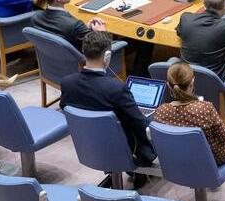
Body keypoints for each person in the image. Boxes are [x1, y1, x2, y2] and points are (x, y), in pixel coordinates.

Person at [60, 31, 156, 176]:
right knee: (155, 118)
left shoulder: (67, 83)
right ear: (107, 56)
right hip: (122, 148)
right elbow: (140, 125)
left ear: (83, 52)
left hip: (88, 145)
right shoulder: (117, 89)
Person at [153, 61, 225, 165]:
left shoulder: (160, 112)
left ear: (168, 85)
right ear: (192, 82)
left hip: (177, 160)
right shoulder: (205, 108)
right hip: (210, 160)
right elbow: (224, 136)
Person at [30, 0, 106, 48]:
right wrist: (101, 32)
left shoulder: (36, 18)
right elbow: (98, 49)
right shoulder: (75, 25)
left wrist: (85, 29)